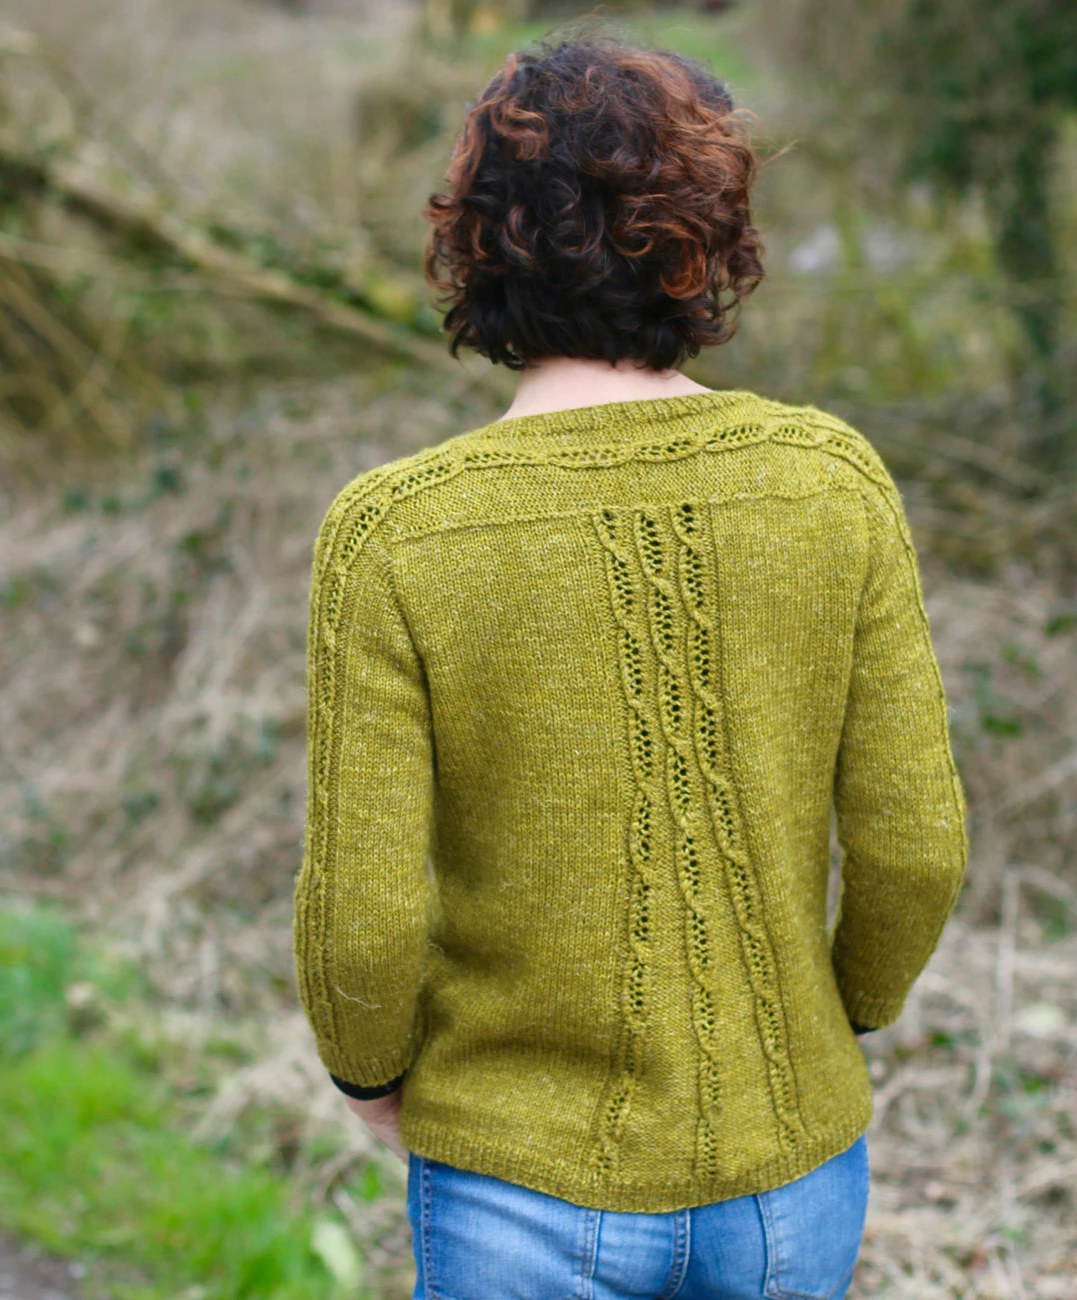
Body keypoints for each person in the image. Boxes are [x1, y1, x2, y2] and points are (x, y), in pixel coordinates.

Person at [293, 37, 967, 1300]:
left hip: (512, 1175)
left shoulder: (396, 531)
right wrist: (837, 1020)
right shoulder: (828, 481)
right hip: (788, 1174)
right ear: (707, 236)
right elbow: (915, 844)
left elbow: (362, 916)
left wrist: (366, 1069)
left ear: (475, 243)